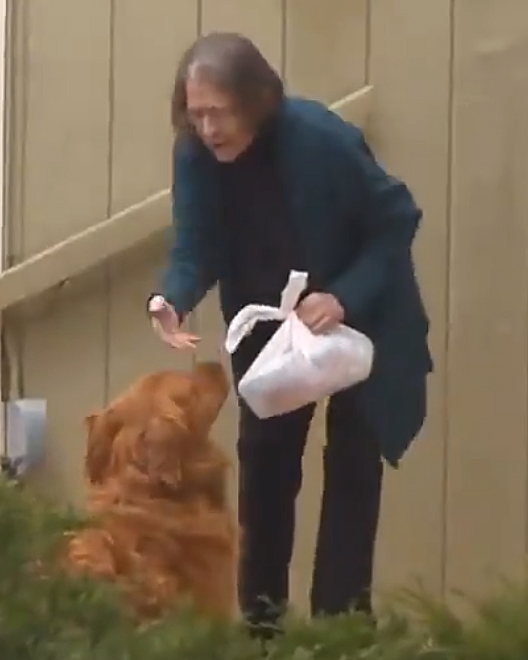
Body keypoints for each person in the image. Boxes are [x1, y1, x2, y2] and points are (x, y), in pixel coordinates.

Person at [147, 32, 432, 636]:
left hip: (358, 316)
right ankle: (263, 632)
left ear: (255, 100)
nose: (208, 128)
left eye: (218, 112)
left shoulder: (320, 139)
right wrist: (170, 297)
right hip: (270, 325)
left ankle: (340, 629)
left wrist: (344, 296)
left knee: (354, 470)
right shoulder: (195, 155)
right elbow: (195, 244)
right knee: (266, 472)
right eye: (195, 113)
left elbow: (396, 219)